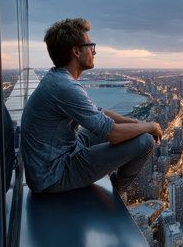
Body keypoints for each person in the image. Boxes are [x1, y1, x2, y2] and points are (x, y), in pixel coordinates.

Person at [21, 18, 162, 194]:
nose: (94, 52)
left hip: (59, 154)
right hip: (53, 175)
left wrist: (133, 122)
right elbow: (114, 136)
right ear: (76, 52)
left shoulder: (57, 78)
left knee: (102, 130)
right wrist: (149, 126)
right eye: (90, 46)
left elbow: (98, 112)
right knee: (145, 141)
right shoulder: (65, 86)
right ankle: (117, 190)